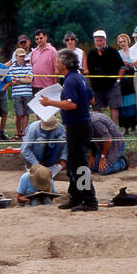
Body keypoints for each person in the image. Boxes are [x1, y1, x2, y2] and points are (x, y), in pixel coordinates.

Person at [39, 50, 97, 210]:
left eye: (57, 62)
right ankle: (76, 196)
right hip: (82, 126)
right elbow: (92, 99)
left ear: (64, 64)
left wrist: (50, 102)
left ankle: (89, 200)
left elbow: (72, 104)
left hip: (77, 127)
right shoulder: (80, 78)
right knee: (72, 164)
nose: (55, 64)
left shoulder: (70, 81)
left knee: (80, 165)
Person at [17, 110, 66, 203]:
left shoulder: (59, 127)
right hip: (37, 152)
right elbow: (25, 149)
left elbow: (67, 143)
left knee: (61, 139)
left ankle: (48, 163)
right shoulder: (33, 128)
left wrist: (64, 158)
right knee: (41, 141)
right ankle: (40, 163)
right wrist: (36, 164)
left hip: (50, 152)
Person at [86, 29, 121, 112]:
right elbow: (89, 70)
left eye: (101, 40)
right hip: (97, 87)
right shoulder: (91, 53)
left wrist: (118, 80)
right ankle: (100, 124)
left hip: (112, 85)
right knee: (96, 107)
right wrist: (91, 83)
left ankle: (113, 125)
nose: (99, 43)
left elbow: (122, 67)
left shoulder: (113, 52)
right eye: (97, 41)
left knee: (114, 107)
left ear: (105, 40)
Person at [88, 108, 127, 176]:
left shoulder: (95, 121)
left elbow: (108, 139)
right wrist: (92, 156)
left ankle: (123, 162)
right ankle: (111, 159)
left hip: (115, 145)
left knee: (104, 170)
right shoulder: (84, 122)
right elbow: (90, 140)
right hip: (102, 146)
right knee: (94, 168)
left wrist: (103, 157)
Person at [114, 34, 137, 133]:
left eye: (124, 41)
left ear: (128, 41)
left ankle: (133, 126)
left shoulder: (133, 52)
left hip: (133, 80)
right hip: (122, 82)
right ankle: (125, 128)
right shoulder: (117, 53)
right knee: (123, 104)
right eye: (120, 42)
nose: (122, 43)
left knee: (132, 103)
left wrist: (130, 65)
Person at [7, 47, 34, 139]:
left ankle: (24, 133)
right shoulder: (11, 68)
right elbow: (10, 82)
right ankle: (18, 132)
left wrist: (18, 79)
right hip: (16, 94)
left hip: (27, 93)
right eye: (20, 56)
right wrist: (23, 79)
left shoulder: (29, 66)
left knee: (26, 114)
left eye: (23, 56)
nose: (22, 58)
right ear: (16, 57)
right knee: (19, 114)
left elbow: (29, 80)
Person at [30, 29, 58, 98]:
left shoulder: (53, 51)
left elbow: (56, 69)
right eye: (37, 39)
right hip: (35, 86)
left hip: (48, 85)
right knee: (37, 108)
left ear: (46, 37)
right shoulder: (33, 52)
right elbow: (30, 69)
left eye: (41, 38)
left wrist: (54, 85)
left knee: (48, 107)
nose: (39, 40)